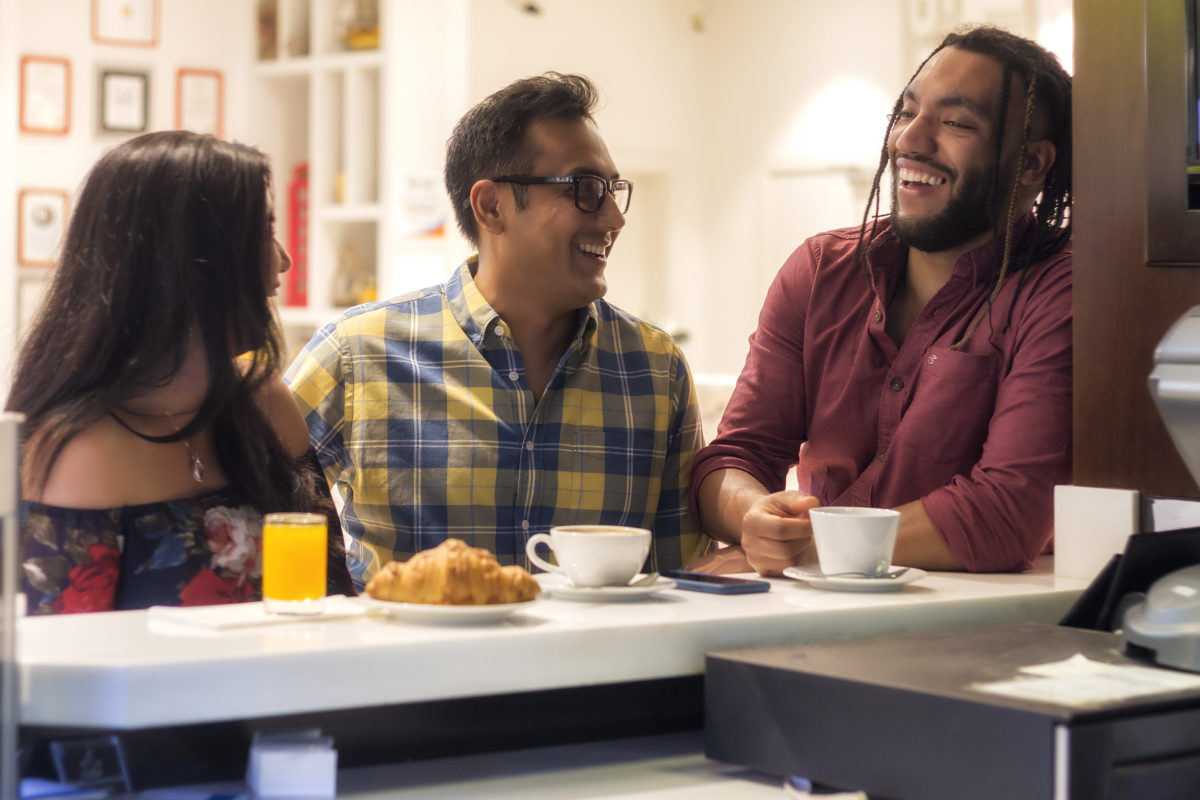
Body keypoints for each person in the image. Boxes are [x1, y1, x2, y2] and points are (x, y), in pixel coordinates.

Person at [286, 72, 708, 587]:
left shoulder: (653, 369)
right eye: (587, 190)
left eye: (615, 191)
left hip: (600, 669)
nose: (615, 218)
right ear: (491, 206)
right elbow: (250, 510)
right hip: (412, 667)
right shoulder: (358, 352)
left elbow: (682, 577)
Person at [691, 25, 1073, 576]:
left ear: (1033, 164)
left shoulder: (1058, 290)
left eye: (957, 123)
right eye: (907, 113)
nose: (909, 140)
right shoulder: (822, 270)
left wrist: (816, 542)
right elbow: (737, 455)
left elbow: (1007, 512)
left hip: (971, 626)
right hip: (800, 605)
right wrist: (754, 514)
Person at [10, 131, 354, 614]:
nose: (283, 259)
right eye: (263, 232)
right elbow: (68, 669)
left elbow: (331, 594)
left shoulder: (265, 400)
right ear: (187, 261)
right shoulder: (79, 451)